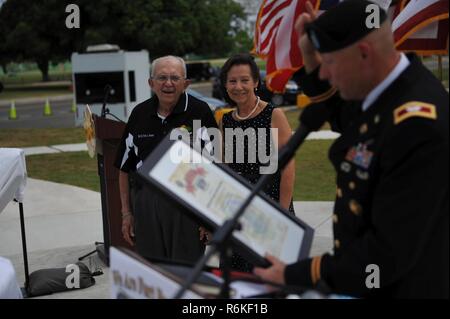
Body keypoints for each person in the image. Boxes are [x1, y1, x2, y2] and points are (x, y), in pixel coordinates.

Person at [254, 0, 448, 298]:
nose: (325, 75)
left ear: (364, 53)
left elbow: (385, 256)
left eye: (329, 63)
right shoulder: (387, 90)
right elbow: (343, 115)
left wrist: (295, 274)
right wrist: (310, 54)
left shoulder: (416, 124)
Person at [114, 55, 218, 264]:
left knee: (186, 273)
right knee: (154, 272)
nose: (168, 83)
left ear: (186, 83)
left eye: (174, 78)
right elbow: (124, 169)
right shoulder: (139, 114)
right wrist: (127, 214)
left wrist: (208, 217)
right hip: (146, 206)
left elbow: (214, 167)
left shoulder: (200, 112)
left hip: (187, 206)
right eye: (161, 78)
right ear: (151, 83)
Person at [217, 53, 296, 272]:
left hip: (270, 208)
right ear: (225, 84)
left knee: (268, 276)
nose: (238, 86)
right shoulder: (226, 120)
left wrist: (283, 213)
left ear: (256, 82)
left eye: (244, 80)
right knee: (237, 278)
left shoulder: (273, 114)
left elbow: (288, 167)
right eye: (232, 81)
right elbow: (226, 169)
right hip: (238, 211)